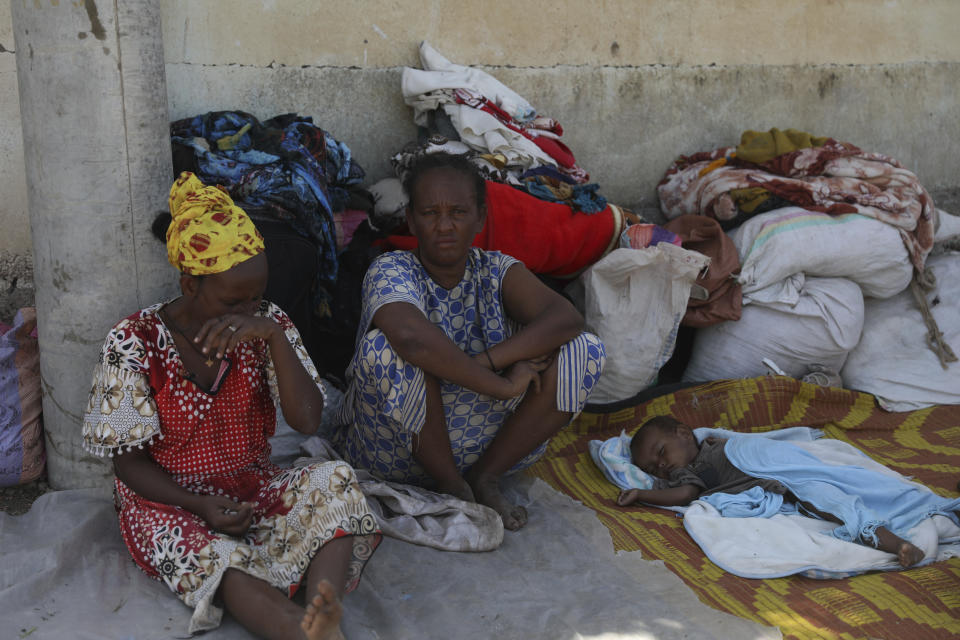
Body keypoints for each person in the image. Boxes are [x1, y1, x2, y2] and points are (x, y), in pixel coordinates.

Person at [82, 172, 380, 640]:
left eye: (257, 296)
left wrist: (276, 337)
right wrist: (198, 504)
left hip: (250, 485)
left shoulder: (266, 325)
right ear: (190, 284)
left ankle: (326, 608)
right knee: (214, 559)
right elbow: (128, 464)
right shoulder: (133, 341)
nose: (247, 309)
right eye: (232, 299)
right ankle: (296, 629)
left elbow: (307, 421)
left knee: (334, 479)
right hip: (168, 501)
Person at [333, 153, 605, 531]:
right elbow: (411, 338)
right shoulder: (392, 268)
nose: (444, 226)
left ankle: (485, 477)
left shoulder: (496, 270)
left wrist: (488, 360)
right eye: (430, 213)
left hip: (482, 443)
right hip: (394, 448)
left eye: (458, 213)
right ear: (411, 219)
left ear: (480, 218)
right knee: (385, 349)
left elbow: (566, 319)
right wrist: (502, 383)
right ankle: (452, 485)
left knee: (584, 349)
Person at [616, 416, 960, 568]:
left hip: (779, 468)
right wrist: (644, 494)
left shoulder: (714, 443)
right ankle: (897, 544)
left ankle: (914, 520)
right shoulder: (688, 473)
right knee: (834, 503)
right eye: (651, 470)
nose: (661, 468)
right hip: (783, 486)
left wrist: (643, 494)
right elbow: (686, 494)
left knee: (844, 489)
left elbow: (760, 449)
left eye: (661, 454)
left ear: (682, 432)